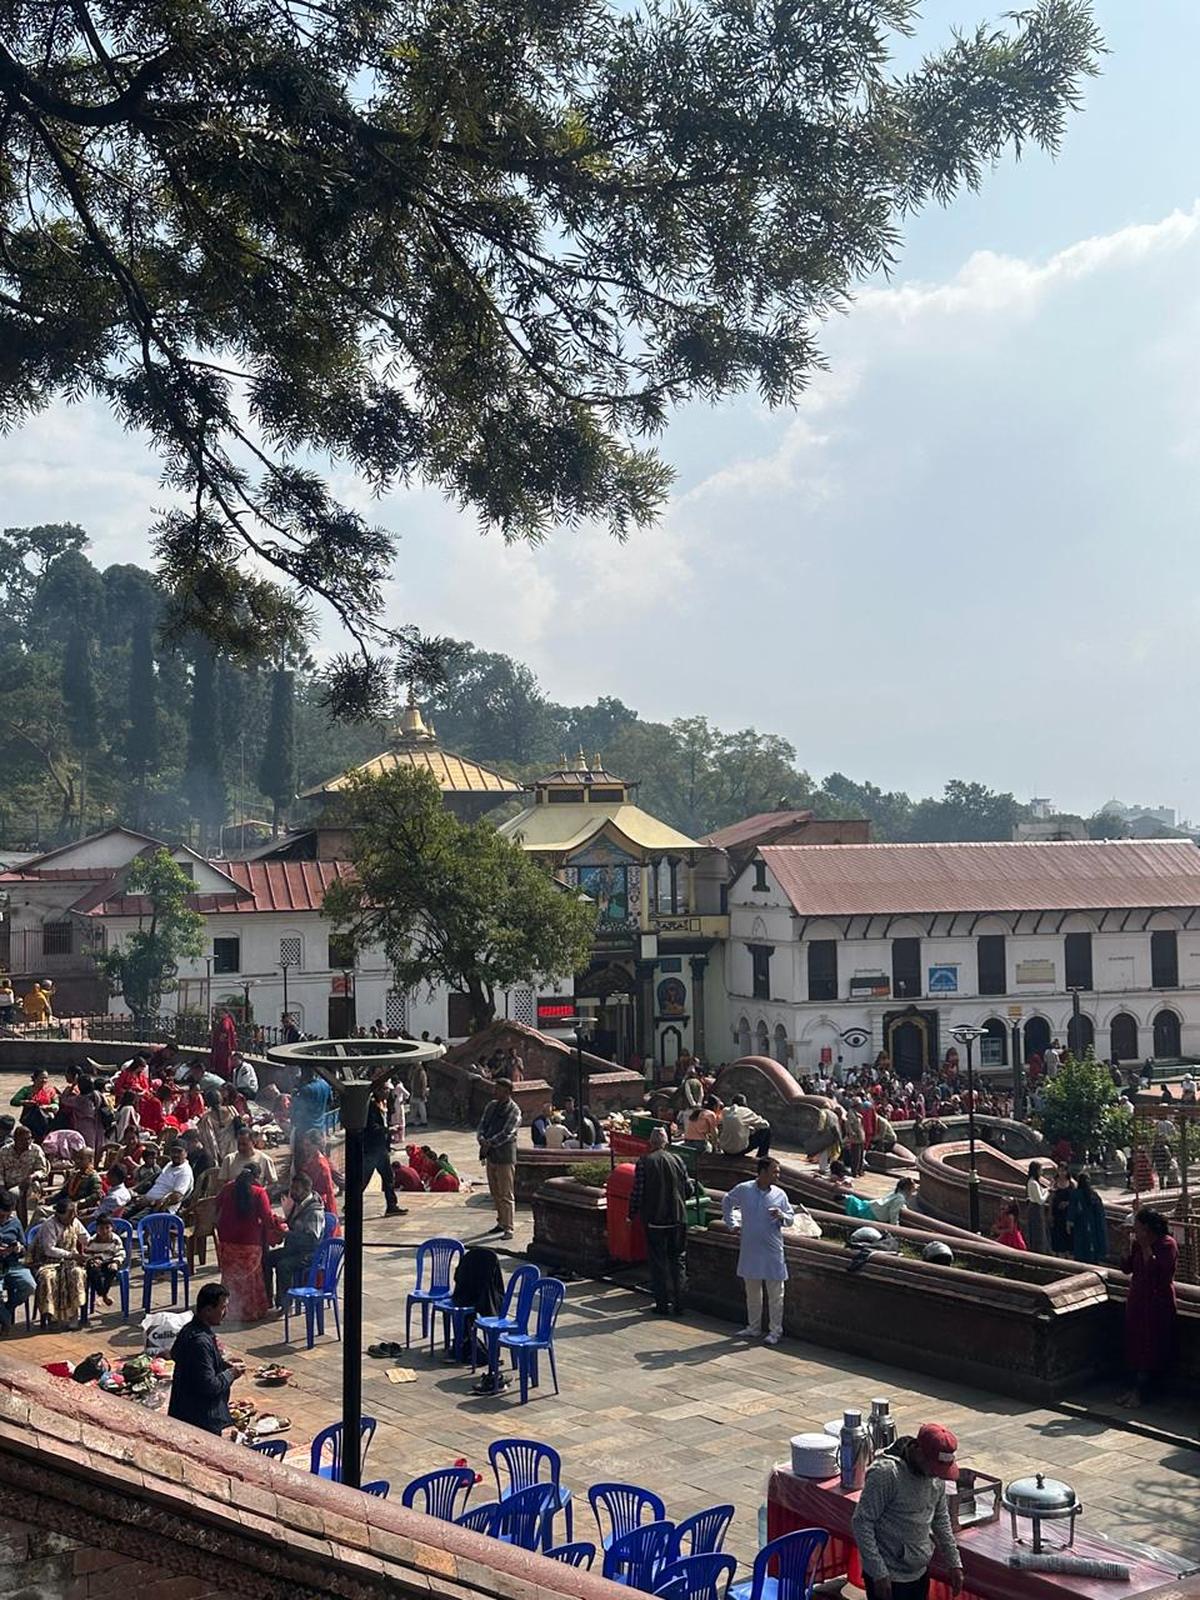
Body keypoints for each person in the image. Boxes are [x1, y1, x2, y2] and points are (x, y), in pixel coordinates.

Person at [852, 1423, 965, 1600]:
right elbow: (862, 1522)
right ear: (918, 1451)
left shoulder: (935, 1478)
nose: (935, 1475)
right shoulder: (887, 1474)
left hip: (918, 1571)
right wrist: (878, 1572)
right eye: (933, 1468)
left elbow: (941, 1519)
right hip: (888, 1575)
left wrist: (954, 1563)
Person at [721, 1157, 795, 1345]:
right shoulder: (745, 1189)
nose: (777, 1175)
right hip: (751, 1247)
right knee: (752, 1290)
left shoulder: (780, 1194)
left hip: (772, 1249)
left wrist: (782, 1215)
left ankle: (775, 1331)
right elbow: (727, 1201)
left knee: (776, 1294)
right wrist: (732, 1223)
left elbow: (791, 1218)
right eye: (774, 1171)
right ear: (762, 1172)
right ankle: (753, 1327)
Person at [168, 1283, 245, 1434]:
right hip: (199, 1420)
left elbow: (184, 1359)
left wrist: (222, 1364)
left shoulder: (190, 1330)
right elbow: (209, 1386)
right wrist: (231, 1373)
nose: (225, 1312)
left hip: (184, 1412)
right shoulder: (199, 1342)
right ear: (208, 1310)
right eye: (222, 1308)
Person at [1119, 1207, 1178, 1407]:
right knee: (1135, 1346)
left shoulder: (1167, 1245)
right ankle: (1133, 1389)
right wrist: (1126, 1245)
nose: (1134, 1229)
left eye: (1137, 1226)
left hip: (1157, 1303)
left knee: (1151, 1347)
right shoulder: (1138, 1244)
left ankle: (1142, 1393)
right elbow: (1126, 1268)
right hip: (1138, 1300)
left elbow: (1159, 1273)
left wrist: (1146, 1247)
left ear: (1147, 1228)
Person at [628, 1127, 689, 1316]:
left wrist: (631, 1213)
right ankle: (680, 1303)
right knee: (677, 1260)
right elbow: (688, 1187)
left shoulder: (644, 1162)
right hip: (678, 1217)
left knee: (658, 1262)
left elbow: (638, 1192)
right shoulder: (678, 1160)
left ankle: (662, 1304)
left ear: (650, 1143)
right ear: (666, 1143)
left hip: (655, 1218)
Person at [214, 1166, 277, 1321]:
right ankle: (251, 1311)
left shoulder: (228, 1188)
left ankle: (228, 1310)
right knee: (251, 1278)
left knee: (230, 1276)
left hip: (227, 1240)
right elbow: (267, 1217)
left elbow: (216, 1205)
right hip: (250, 1241)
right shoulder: (259, 1192)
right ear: (256, 1177)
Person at [263, 1172, 326, 1308]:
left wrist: (288, 1234)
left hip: (309, 1254)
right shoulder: (299, 1204)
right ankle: (267, 1298)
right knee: (267, 1258)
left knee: (284, 1265)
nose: (293, 1192)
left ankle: (285, 1303)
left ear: (306, 1190)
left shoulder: (313, 1212)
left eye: (296, 1189)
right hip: (294, 1249)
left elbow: (312, 1240)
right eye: (292, 1188)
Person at [31, 1197, 88, 1328]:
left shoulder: (75, 1222)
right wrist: (71, 1255)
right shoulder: (49, 1225)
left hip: (71, 1261)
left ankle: (74, 1315)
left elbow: (85, 1238)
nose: (73, 1216)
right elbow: (49, 1249)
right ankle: (52, 1316)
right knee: (48, 1277)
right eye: (70, 1213)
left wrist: (94, 1246)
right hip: (48, 1261)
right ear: (59, 1214)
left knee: (76, 1273)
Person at [476, 1077, 520, 1240]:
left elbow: (508, 1133)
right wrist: (481, 1138)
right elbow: (482, 1125)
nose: (495, 1092)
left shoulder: (514, 1110)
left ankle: (509, 1227)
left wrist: (490, 1142)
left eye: (499, 1090)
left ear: (507, 1092)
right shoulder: (491, 1106)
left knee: (506, 1193)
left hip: (505, 1156)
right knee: (495, 1192)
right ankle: (501, 1221)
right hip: (491, 1155)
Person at [363, 1080, 406, 1217]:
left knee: (388, 1177)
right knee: (363, 1179)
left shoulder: (384, 1104)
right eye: (386, 1090)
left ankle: (392, 1205)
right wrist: (388, 1130)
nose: (388, 1093)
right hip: (372, 1148)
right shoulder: (371, 1106)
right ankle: (351, 1204)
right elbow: (372, 1127)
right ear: (378, 1090)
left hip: (381, 1149)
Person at [127, 1141, 195, 1216]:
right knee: (121, 1213)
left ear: (186, 1153)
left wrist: (151, 1202)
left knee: (132, 1223)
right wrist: (134, 1189)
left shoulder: (184, 1172)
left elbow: (177, 1197)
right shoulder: (170, 1164)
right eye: (173, 1151)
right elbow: (155, 1176)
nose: (175, 1155)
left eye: (179, 1152)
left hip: (160, 1209)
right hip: (146, 1201)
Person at [0, 1190, 36, 1331]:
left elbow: (24, 1247)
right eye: (1, 1216)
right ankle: (6, 1320)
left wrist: (18, 1248)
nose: (4, 1219)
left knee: (29, 1286)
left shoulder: (15, 1223)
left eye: (7, 1216)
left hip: (13, 1265)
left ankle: (7, 1310)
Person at [0, 1125, 49, 1220]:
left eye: (29, 1138)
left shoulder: (36, 1150)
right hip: (6, 1184)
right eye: (24, 1139)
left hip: (28, 1184)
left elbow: (43, 1170)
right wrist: (1, 1187)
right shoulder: (4, 1151)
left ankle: (22, 1227)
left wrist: (32, 1176)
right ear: (16, 1139)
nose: (28, 1142)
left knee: (15, 1194)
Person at [82, 1213, 126, 1307]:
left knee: (112, 1270)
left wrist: (115, 1262)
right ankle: (104, 1294)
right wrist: (92, 1260)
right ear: (97, 1229)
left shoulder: (115, 1240)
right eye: (101, 1228)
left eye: (107, 1228)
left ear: (112, 1228)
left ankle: (102, 1294)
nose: (104, 1231)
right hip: (97, 1262)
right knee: (93, 1271)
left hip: (110, 1261)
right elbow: (86, 1254)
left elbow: (121, 1253)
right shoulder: (92, 1240)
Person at [1067, 1172, 1108, 1264]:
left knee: (1081, 1245)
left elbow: (1072, 1210)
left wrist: (1069, 1222)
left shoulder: (1076, 1194)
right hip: (1093, 1224)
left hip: (1081, 1224)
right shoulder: (1094, 1194)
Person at [717, 1095, 772, 1159]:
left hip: (725, 1149)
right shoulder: (745, 1111)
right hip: (739, 1151)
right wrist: (753, 1128)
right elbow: (765, 1124)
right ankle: (762, 1156)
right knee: (767, 1130)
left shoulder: (725, 1111)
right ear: (744, 1104)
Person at [197, 1089, 240, 1165]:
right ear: (221, 1099)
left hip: (218, 1154)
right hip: (233, 1149)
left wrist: (214, 1157)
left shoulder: (206, 1117)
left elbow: (208, 1139)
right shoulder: (232, 1110)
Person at [1049, 1163, 1074, 1255]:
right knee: (1056, 1232)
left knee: (1067, 1232)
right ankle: (1057, 1252)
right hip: (1056, 1211)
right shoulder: (1054, 1182)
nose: (1062, 1173)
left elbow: (1074, 1199)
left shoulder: (1071, 1183)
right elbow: (1051, 1198)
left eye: (1064, 1170)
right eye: (1060, 1170)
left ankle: (1067, 1252)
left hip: (1067, 1212)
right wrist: (1050, 1213)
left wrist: (1067, 1203)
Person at [1025, 1161, 1049, 1255]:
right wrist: (1048, 1192)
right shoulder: (1033, 1183)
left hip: (1033, 1207)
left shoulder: (1031, 1182)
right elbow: (1040, 1200)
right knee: (1038, 1230)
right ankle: (1038, 1250)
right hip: (1036, 1209)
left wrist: (1046, 1189)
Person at [409, 1061, 429, 1129]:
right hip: (414, 1091)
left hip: (419, 1092)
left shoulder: (421, 1072)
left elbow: (423, 1083)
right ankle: (412, 1120)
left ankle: (424, 1121)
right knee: (413, 1107)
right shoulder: (414, 1071)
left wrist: (423, 1093)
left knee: (421, 1107)